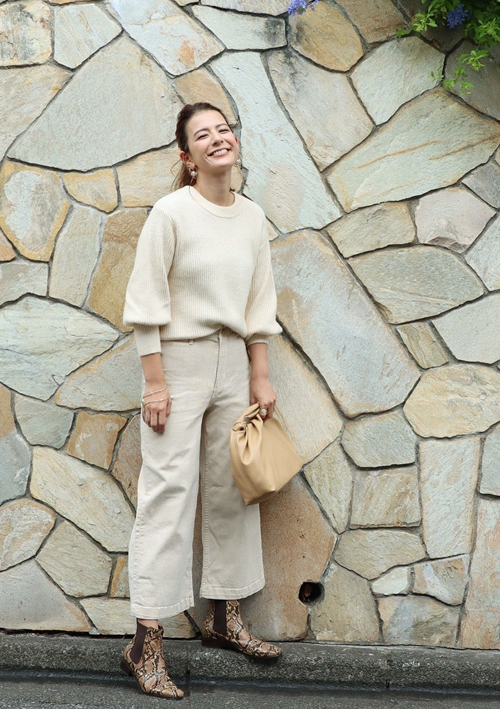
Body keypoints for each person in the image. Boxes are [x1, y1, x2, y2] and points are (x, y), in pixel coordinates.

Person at [121, 102, 283, 699]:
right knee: (168, 492)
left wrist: (260, 376)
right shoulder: (171, 213)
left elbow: (259, 305)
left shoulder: (253, 217)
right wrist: (154, 383)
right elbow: (145, 301)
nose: (218, 138)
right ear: (187, 157)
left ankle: (223, 617)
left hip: (234, 363)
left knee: (232, 489)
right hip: (178, 363)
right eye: (203, 135)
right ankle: (145, 643)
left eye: (224, 129)